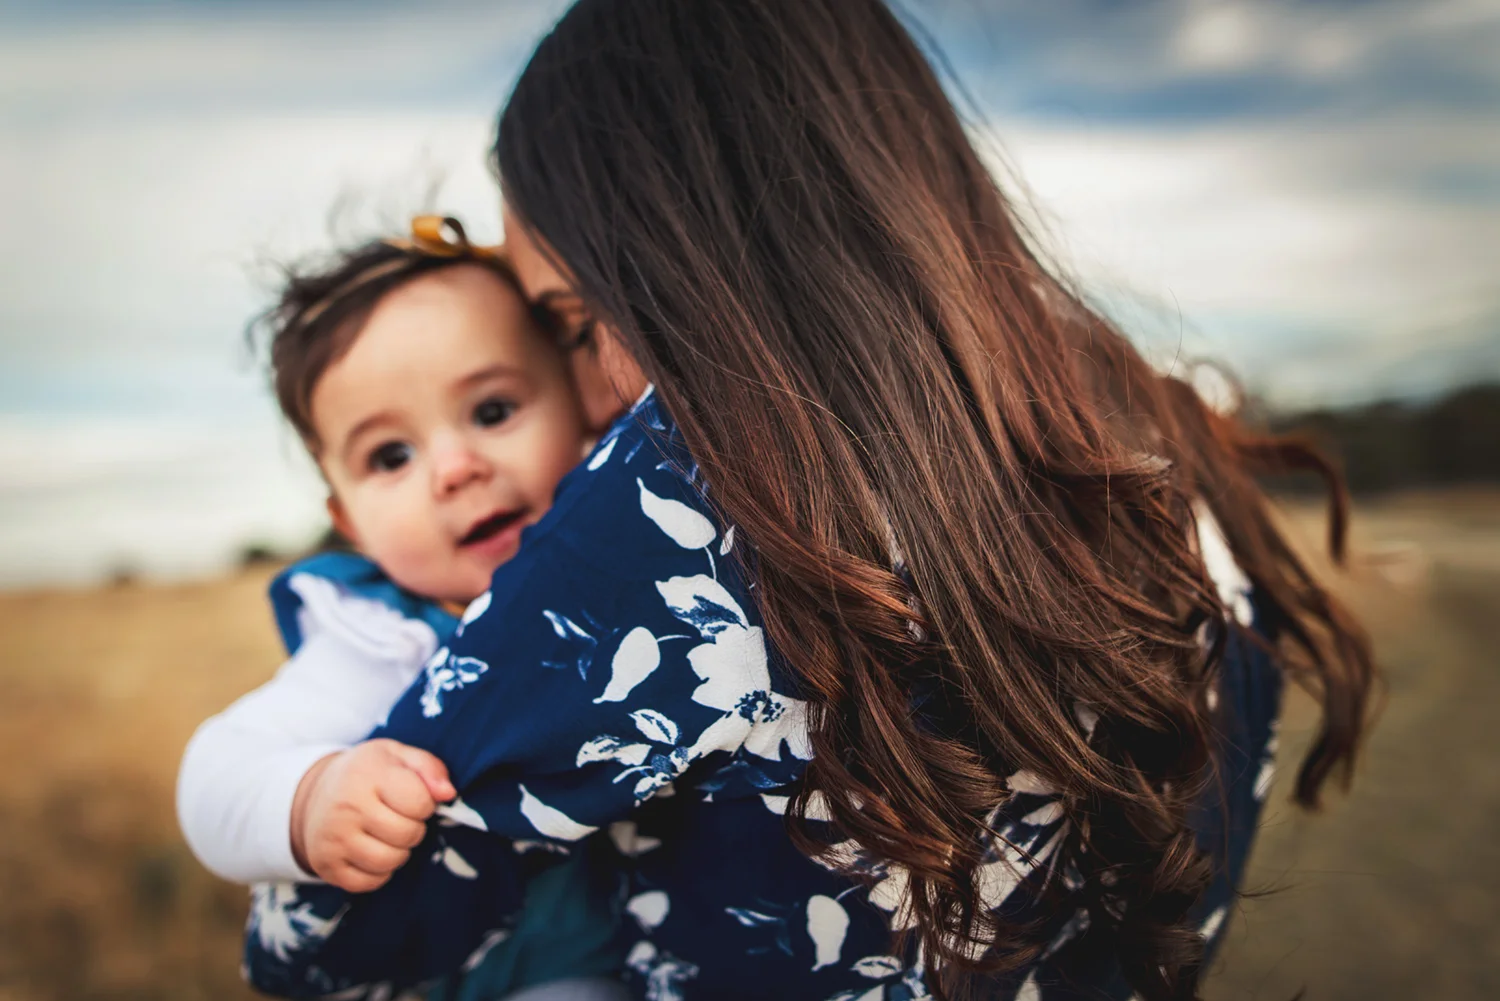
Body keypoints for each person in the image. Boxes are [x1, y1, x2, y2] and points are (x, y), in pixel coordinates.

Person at [242, 2, 1376, 999]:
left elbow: (316, 935)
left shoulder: (698, 491)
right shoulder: (1155, 427)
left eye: (585, 322)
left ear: (690, 259)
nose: (588, 398)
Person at [176, 217, 628, 1001]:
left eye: (492, 410)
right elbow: (214, 773)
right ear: (348, 520)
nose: (455, 468)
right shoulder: (383, 642)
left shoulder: (634, 572)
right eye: (391, 455)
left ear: (583, 409)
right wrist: (313, 794)